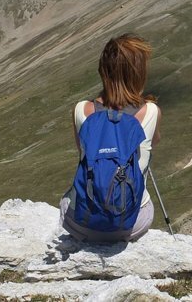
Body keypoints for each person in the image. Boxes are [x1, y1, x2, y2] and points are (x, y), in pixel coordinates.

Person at [60, 33, 161, 242]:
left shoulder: (81, 110)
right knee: (145, 203)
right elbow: (155, 141)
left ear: (103, 71)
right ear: (139, 74)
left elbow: (83, 151)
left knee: (67, 197)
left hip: (81, 223)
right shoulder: (151, 112)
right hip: (130, 224)